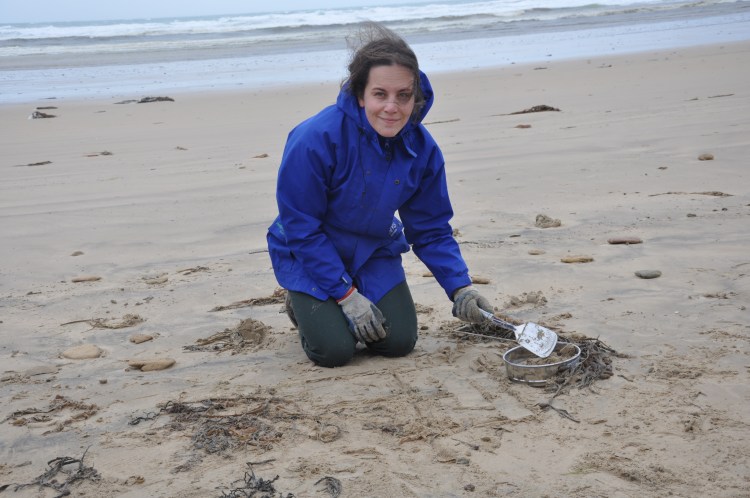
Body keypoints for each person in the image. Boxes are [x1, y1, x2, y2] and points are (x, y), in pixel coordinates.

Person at [267, 22, 493, 367]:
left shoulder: (423, 150)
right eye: (380, 94)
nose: (392, 107)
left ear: (415, 98)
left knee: (398, 342)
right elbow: (301, 228)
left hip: (372, 248)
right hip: (310, 250)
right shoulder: (315, 138)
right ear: (361, 95)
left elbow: (431, 229)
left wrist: (460, 287)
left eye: (404, 95)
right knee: (335, 351)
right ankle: (302, 305)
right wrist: (346, 296)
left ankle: (338, 303)